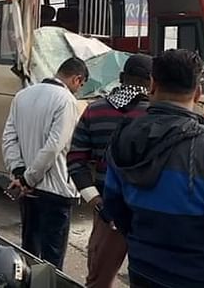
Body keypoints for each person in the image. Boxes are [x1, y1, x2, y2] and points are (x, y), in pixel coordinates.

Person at [104, 49, 204, 288]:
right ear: (198, 92)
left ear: (152, 85)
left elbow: (114, 205)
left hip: (142, 271)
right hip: (199, 278)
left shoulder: (123, 137)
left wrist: (142, 243)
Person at [67, 54, 152, 288]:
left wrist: (96, 201)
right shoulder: (157, 116)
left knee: (98, 281)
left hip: (108, 213)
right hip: (149, 215)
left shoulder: (95, 110)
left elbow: (75, 160)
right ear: (153, 82)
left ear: (122, 78)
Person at [1, 57, 87, 270]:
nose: (79, 90)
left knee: (29, 252)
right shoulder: (66, 101)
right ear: (77, 79)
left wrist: (19, 173)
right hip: (55, 191)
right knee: (51, 261)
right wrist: (29, 178)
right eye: (81, 85)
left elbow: (9, 138)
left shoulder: (22, 95)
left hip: (27, 191)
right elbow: (54, 146)